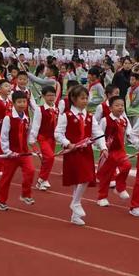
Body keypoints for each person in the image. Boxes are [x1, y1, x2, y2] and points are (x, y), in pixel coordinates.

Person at [55, 85, 108, 225]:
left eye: (86, 98)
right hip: (73, 152)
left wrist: (103, 147)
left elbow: (97, 133)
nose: (85, 101)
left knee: (84, 178)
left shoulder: (90, 116)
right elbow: (58, 133)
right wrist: (67, 143)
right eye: (82, 98)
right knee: (83, 178)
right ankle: (76, 203)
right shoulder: (66, 116)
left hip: (86, 152)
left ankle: (74, 213)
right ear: (73, 99)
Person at [0, 90, 35, 211]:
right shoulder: (9, 118)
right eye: (19, 102)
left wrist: (30, 147)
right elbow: (4, 136)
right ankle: (1, 200)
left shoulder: (27, 118)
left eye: (24, 101)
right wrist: (7, 151)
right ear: (14, 103)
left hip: (23, 152)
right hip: (11, 154)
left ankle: (25, 194)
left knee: (31, 171)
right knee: (7, 177)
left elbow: (27, 134)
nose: (22, 104)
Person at [97, 96, 132, 206]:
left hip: (120, 150)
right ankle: (101, 197)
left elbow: (128, 132)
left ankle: (120, 187)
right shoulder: (105, 120)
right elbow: (99, 134)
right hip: (108, 151)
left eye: (122, 105)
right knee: (106, 176)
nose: (120, 108)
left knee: (127, 166)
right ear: (110, 108)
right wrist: (103, 148)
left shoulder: (124, 120)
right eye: (117, 105)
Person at [29, 86, 58, 191]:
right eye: (48, 95)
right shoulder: (39, 109)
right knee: (50, 157)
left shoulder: (56, 109)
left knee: (48, 159)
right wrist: (32, 141)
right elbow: (36, 125)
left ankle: (43, 179)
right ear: (43, 96)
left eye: (53, 95)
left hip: (53, 138)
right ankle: (41, 179)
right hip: (43, 138)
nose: (51, 97)